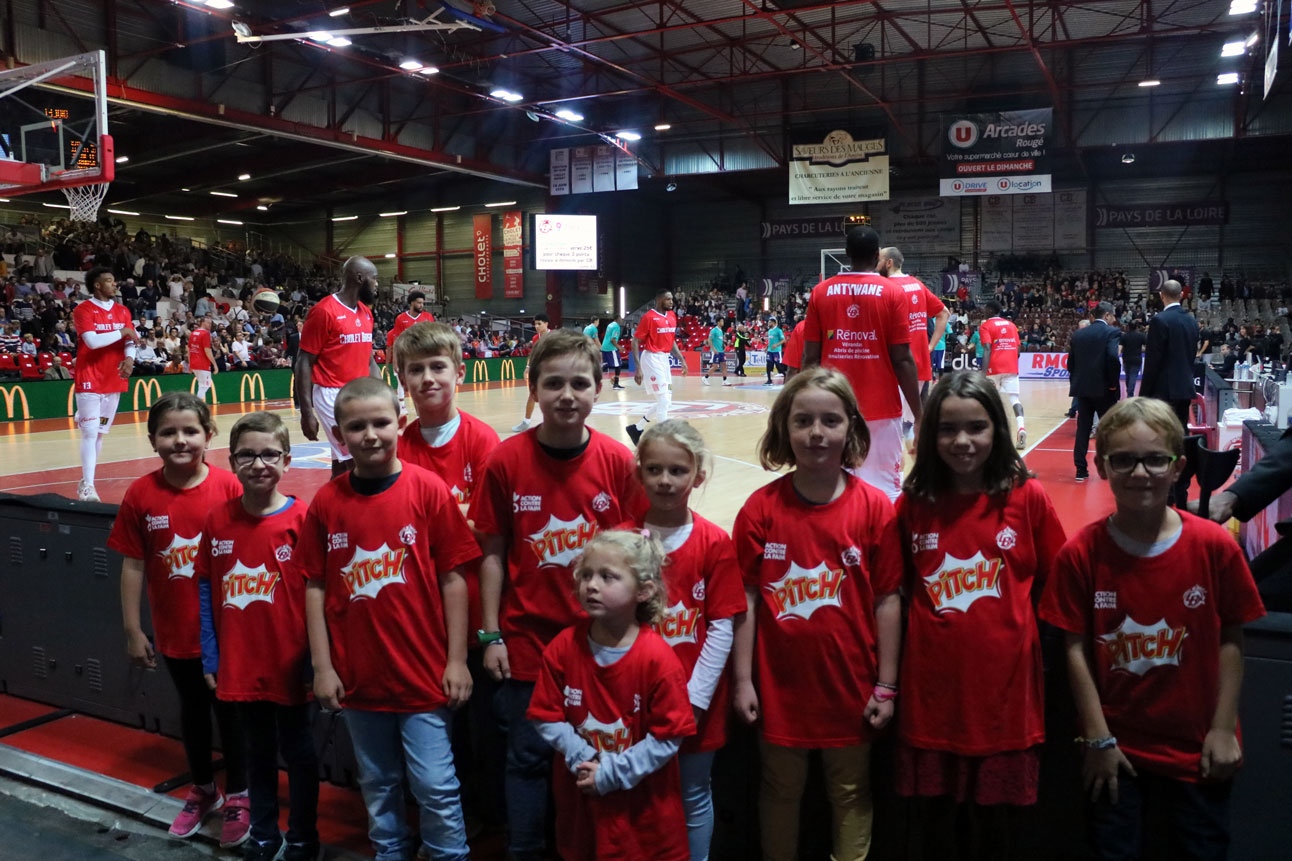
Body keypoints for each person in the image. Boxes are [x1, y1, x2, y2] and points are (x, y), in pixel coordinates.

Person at [1039, 397, 1265, 860]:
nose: (1139, 473)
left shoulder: (1213, 547)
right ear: (1102, 466)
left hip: (1197, 752)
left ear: (1178, 467)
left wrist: (1223, 730)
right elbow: (1075, 650)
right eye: (1122, 460)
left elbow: (1231, 640)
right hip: (1116, 755)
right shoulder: (1082, 553)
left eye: (1154, 459)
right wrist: (1097, 738)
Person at [469, 330, 645, 861]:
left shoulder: (618, 462)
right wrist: (492, 633)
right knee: (525, 759)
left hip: (600, 645)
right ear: (534, 390)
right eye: (553, 384)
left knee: (595, 760)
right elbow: (493, 554)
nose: (567, 395)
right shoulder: (504, 461)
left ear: (598, 389)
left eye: (579, 383)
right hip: (526, 644)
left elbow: (636, 560)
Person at [297, 376, 479, 861]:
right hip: (359, 679)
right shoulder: (328, 503)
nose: (371, 435)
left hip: (423, 674)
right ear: (340, 434)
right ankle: (390, 853)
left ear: (400, 423)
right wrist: (322, 667)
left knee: (435, 785)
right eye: (357, 427)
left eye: (381, 422)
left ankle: (448, 854)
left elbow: (454, 579)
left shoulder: (428, 491)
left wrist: (457, 660)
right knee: (378, 782)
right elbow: (314, 585)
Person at [731, 367, 902, 861]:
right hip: (779, 689)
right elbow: (744, 599)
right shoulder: (760, 511)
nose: (817, 433)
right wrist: (742, 680)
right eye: (803, 420)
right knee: (779, 790)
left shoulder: (874, 509)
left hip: (852, 687)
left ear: (851, 428)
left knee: (850, 793)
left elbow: (887, 599)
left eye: (830, 421)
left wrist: (886, 684)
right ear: (784, 427)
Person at [895, 370, 1067, 857]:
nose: (962, 441)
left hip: (1006, 697)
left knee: (998, 833)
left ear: (998, 429)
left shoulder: (1027, 498)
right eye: (948, 429)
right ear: (931, 436)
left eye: (976, 427)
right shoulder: (914, 504)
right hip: (932, 695)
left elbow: (1057, 583)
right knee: (935, 830)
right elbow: (896, 593)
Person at [108, 393, 249, 847]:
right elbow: (133, 565)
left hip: (227, 636)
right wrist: (133, 629)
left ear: (209, 436)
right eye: (168, 433)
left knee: (232, 716)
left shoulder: (230, 488)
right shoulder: (141, 494)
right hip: (174, 633)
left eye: (190, 431)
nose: (180, 440)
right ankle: (204, 789)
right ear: (152, 440)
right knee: (192, 712)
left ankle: (241, 795)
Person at [527, 531, 696, 861]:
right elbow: (545, 716)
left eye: (608, 577)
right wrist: (583, 759)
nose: (591, 585)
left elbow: (668, 737)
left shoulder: (658, 659)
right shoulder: (563, 646)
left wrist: (611, 773)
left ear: (643, 591)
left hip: (644, 818)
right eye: (586, 575)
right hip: (583, 808)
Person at [196, 412, 319, 861]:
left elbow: (319, 596)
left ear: (287, 460)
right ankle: (265, 834)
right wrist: (211, 655)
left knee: (300, 753)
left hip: (292, 665)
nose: (259, 463)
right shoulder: (217, 522)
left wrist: (316, 663)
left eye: (269, 454)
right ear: (231, 461)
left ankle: (304, 836)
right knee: (257, 754)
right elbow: (206, 589)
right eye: (247, 454)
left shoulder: (303, 520)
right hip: (241, 664)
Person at [624, 420, 745, 861]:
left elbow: (720, 626)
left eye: (677, 471)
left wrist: (693, 699)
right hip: (632, 699)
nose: (665, 480)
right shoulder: (621, 539)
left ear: (698, 476)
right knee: (637, 793)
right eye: (654, 469)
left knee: (693, 793)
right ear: (638, 474)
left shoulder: (714, 542)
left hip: (696, 702)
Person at [801, 224, 921, 501]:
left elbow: (810, 358)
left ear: (846, 253)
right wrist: (919, 413)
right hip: (882, 409)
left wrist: (805, 408)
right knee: (886, 491)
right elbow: (902, 359)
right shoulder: (893, 293)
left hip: (833, 409)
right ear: (877, 255)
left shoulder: (820, 292)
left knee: (835, 491)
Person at [295, 255, 381, 478]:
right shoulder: (324, 311)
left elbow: (368, 359)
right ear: (359, 278)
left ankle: (331, 508)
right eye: (374, 279)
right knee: (357, 459)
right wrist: (307, 413)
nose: (377, 284)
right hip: (331, 394)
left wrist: (382, 395)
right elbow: (304, 361)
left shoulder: (366, 312)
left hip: (358, 394)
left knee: (343, 462)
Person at [72, 266, 140, 502]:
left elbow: (131, 340)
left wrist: (130, 359)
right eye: (110, 281)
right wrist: (122, 331)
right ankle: (87, 485)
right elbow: (91, 341)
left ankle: (82, 415)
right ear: (98, 285)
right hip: (89, 377)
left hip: (114, 377)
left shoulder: (123, 310)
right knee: (90, 433)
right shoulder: (83, 310)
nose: (115, 284)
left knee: (99, 434)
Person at [1140, 279, 1199, 507]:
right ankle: (1180, 486)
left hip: (1163, 390)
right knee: (1180, 436)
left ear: (1162, 295)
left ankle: (1164, 489)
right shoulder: (1191, 321)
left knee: (1160, 440)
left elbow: (1153, 361)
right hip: (1184, 387)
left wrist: (1144, 395)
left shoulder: (1160, 320)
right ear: (1182, 296)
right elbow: (1191, 355)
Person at [879, 246, 950, 400]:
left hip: (895, 366)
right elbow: (944, 313)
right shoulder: (917, 284)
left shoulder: (885, 287)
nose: (876, 264)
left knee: (899, 421)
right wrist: (930, 347)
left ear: (889, 263)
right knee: (913, 419)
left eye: (879, 260)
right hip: (920, 363)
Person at [1068, 302, 1123, 482]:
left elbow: (1070, 364)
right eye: (1113, 316)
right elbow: (1113, 358)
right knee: (1109, 430)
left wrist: (1077, 382)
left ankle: (1080, 470)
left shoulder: (1079, 334)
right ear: (1106, 315)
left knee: (1083, 428)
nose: (1115, 319)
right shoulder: (1112, 332)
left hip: (1083, 389)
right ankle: (1109, 468)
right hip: (1104, 389)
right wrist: (1113, 383)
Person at [628, 291, 688, 446]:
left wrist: (681, 359)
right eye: (668, 299)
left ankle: (637, 428)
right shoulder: (649, 317)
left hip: (664, 360)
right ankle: (666, 439)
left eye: (672, 299)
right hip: (651, 359)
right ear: (659, 300)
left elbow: (671, 340)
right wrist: (638, 368)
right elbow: (635, 341)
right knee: (663, 398)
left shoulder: (672, 316)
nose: (671, 302)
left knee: (666, 400)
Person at [979, 300, 1027, 450]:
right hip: (1011, 366)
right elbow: (1018, 348)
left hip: (994, 368)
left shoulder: (986, 325)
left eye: (985, 309)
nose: (984, 311)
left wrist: (983, 373)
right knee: (1014, 399)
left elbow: (987, 349)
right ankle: (1021, 428)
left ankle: (993, 435)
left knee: (989, 401)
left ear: (990, 310)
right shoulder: (1012, 325)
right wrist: (1011, 361)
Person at [386, 290, 435, 410]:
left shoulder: (428, 317)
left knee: (422, 382)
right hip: (406, 356)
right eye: (419, 303)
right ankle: (402, 405)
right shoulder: (401, 319)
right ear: (412, 303)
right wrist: (395, 360)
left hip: (423, 356)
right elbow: (396, 341)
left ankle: (422, 407)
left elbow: (434, 337)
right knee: (403, 382)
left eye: (423, 303)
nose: (421, 305)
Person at [512, 313, 551, 432]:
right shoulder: (535, 338)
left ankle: (553, 422)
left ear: (546, 324)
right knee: (532, 394)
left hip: (552, 370)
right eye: (535, 324)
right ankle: (526, 421)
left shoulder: (554, 336)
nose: (537, 326)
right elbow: (533, 354)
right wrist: (528, 367)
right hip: (539, 370)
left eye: (539, 324)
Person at [189, 315, 218, 402]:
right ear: (202, 322)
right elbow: (207, 351)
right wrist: (215, 364)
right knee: (204, 385)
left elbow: (189, 349)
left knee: (202, 385)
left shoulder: (193, 333)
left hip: (194, 363)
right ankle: (196, 404)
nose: (210, 325)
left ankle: (196, 403)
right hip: (202, 363)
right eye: (208, 323)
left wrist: (190, 364)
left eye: (211, 323)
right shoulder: (205, 334)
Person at [1120, 319, 1146, 399]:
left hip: (1126, 359)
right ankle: (1130, 393)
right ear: (1137, 327)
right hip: (1137, 359)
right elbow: (1146, 347)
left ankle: (1129, 391)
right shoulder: (1141, 335)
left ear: (1128, 327)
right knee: (1133, 376)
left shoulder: (1124, 336)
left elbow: (1120, 348)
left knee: (1128, 376)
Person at [600, 314, 625, 390]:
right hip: (611, 348)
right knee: (619, 364)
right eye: (621, 318)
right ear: (617, 318)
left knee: (606, 364)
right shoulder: (616, 326)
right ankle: (616, 384)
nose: (621, 320)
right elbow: (612, 339)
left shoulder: (610, 325)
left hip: (604, 347)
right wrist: (619, 347)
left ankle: (592, 374)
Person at [703, 320, 730, 387]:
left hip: (721, 351)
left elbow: (719, 340)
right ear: (718, 322)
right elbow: (709, 340)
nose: (723, 323)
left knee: (724, 365)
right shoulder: (714, 330)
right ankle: (705, 378)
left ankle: (724, 380)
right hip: (716, 351)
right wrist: (713, 349)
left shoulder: (721, 331)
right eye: (722, 321)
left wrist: (723, 344)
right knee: (715, 367)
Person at [764, 316, 786, 385]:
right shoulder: (769, 331)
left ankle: (786, 376)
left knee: (778, 366)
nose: (768, 323)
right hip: (770, 351)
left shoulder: (778, 330)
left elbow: (783, 340)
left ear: (773, 322)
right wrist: (767, 347)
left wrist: (776, 345)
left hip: (776, 351)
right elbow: (770, 341)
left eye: (769, 322)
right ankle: (769, 380)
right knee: (768, 365)